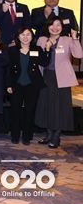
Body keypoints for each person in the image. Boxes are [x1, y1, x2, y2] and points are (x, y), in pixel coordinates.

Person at [35, 17, 83, 148]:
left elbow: (79, 55)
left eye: (58, 25)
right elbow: (38, 58)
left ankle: (56, 136)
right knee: (46, 105)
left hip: (62, 78)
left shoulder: (67, 40)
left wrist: (75, 39)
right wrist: (46, 48)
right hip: (46, 76)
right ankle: (49, 134)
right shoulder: (41, 40)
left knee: (60, 107)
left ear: (62, 27)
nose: (55, 28)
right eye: (52, 25)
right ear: (48, 26)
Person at [7, 27, 45, 145]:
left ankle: (27, 136)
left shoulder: (37, 49)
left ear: (32, 37)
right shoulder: (12, 50)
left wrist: (48, 49)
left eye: (28, 34)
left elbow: (44, 62)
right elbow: (8, 69)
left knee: (30, 111)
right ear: (18, 37)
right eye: (22, 34)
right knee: (15, 111)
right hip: (16, 84)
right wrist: (8, 84)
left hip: (32, 84)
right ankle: (15, 135)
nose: (25, 37)